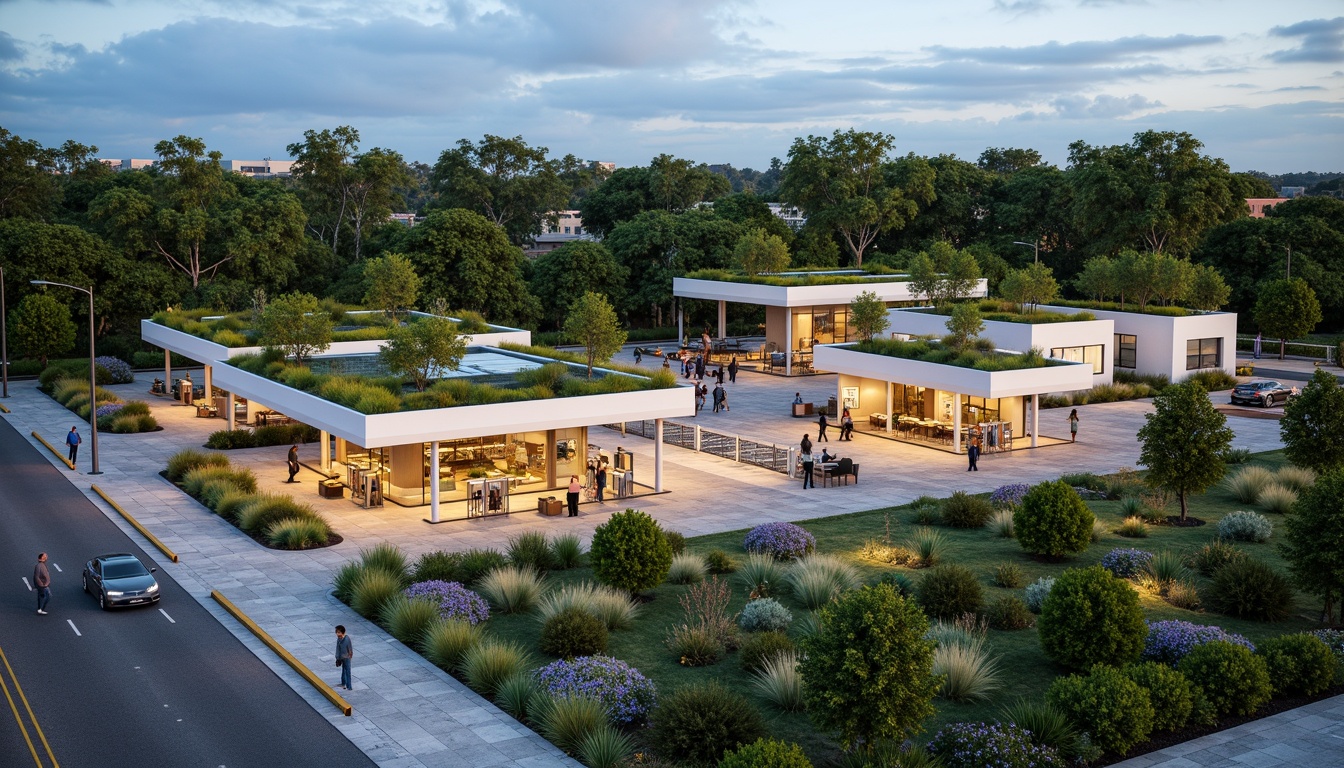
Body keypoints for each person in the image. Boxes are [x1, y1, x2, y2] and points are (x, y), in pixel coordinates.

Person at [334, 625, 354, 690]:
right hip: (341, 657)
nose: (337, 634)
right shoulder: (338, 639)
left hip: (347, 657)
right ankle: (343, 683)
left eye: (339, 632)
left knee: (348, 671)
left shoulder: (347, 639)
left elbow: (350, 648)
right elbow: (338, 648)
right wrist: (337, 657)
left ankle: (349, 686)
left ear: (343, 632)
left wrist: (349, 656)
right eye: (337, 632)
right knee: (343, 670)